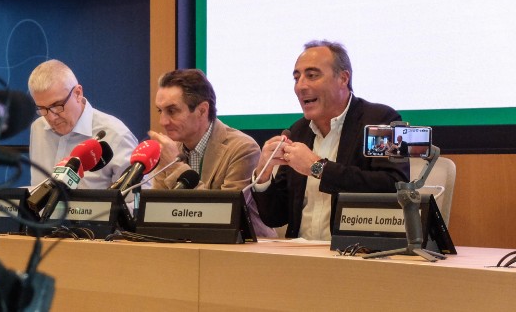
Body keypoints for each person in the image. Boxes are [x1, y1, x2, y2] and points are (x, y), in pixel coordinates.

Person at [251, 40, 409, 241]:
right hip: (300, 256)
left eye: (312, 75)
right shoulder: (297, 131)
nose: (301, 86)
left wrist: (317, 168)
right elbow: (276, 216)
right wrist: (263, 175)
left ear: (343, 78)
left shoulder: (383, 120)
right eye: (296, 78)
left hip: (358, 253)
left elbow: (394, 186)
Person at [147, 69, 276, 237]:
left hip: (244, 253)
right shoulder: (171, 149)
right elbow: (158, 215)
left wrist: (176, 167)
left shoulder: (243, 148)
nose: (162, 121)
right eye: (160, 111)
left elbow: (224, 217)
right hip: (187, 248)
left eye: (172, 111)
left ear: (202, 110)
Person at [28, 59, 138, 189]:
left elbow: (136, 201)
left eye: (57, 106)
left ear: (78, 93)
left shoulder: (116, 135)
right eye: (42, 108)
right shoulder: (38, 128)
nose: (51, 117)